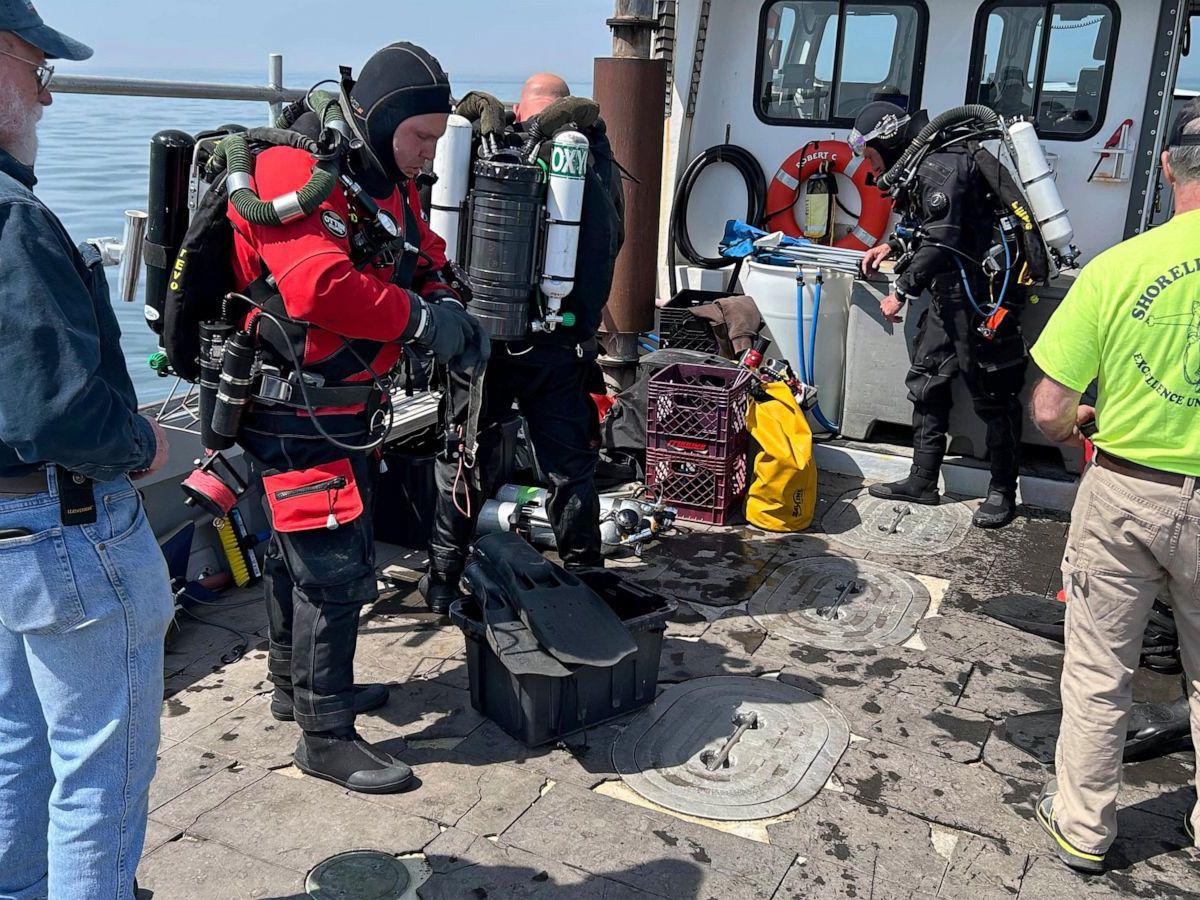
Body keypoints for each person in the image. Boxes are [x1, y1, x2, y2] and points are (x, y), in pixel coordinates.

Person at [230, 42, 488, 794]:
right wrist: (422, 323)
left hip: (340, 406)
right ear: (379, 121)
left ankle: (296, 686)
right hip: (295, 410)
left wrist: (445, 296)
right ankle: (326, 736)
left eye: (437, 139)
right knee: (334, 573)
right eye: (420, 137)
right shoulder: (294, 172)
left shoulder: (383, 180)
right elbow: (316, 289)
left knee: (301, 558)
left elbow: (420, 250)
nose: (428, 154)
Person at [0, 5, 175, 899]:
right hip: (62, 530)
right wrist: (141, 442)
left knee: (16, 744)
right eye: (38, 72)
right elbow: (58, 409)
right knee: (101, 770)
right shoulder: (13, 219)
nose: (47, 98)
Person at [1026, 108, 1200, 872]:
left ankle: (1083, 829)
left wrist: (1077, 426)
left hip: (1126, 491)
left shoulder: (1117, 268)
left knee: (1101, 671)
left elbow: (1048, 408)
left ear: (1166, 168)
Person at [419, 72, 625, 613]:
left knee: (463, 455)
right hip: (557, 343)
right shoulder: (589, 160)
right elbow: (611, 241)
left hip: (479, 339)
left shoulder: (479, 149)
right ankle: (586, 578)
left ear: (519, 109)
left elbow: (436, 227)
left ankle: (442, 581)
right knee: (568, 467)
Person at [857, 101, 1027, 528]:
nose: (869, 167)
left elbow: (943, 239)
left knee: (993, 394)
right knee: (927, 381)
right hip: (948, 291)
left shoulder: (941, 165)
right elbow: (925, 226)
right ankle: (922, 479)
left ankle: (1002, 491)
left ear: (888, 140)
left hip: (981, 295)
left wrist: (901, 289)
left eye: (870, 155)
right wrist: (892, 245)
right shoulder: (927, 164)